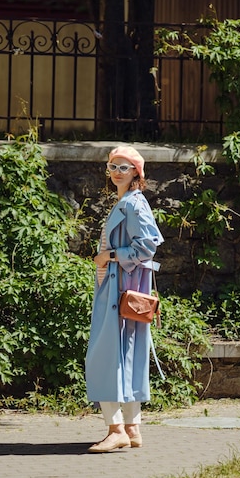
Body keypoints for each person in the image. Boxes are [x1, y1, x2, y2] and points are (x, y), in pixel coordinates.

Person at [85, 145, 164, 453]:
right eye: (112, 167)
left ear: (136, 173)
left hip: (121, 290)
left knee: (104, 357)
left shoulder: (133, 204)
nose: (116, 172)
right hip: (122, 288)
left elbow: (147, 247)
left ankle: (116, 428)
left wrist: (110, 256)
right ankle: (131, 428)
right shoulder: (128, 202)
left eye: (123, 167)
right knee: (126, 356)